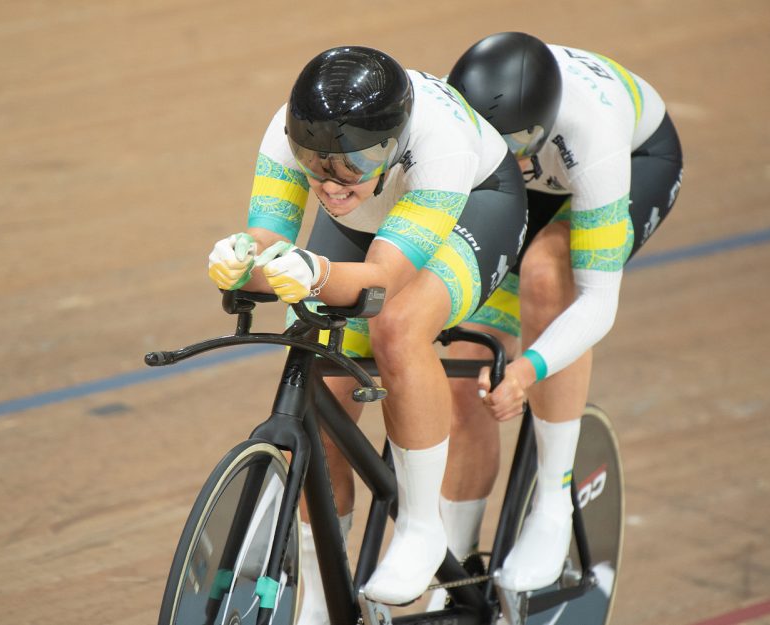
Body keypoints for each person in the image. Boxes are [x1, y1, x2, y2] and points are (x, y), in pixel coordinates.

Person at [206, 46, 528, 621]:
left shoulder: (440, 143)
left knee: (399, 327)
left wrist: (317, 272)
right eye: (315, 162)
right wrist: (238, 258)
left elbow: (382, 279)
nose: (330, 183)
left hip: (474, 206)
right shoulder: (291, 135)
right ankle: (319, 597)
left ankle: (424, 529)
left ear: (392, 143)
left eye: (350, 164)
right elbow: (266, 236)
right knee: (318, 364)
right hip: (367, 221)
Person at [426, 31, 684, 606]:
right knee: (466, 365)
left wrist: (528, 369)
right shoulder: (453, 118)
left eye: (515, 143)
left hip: (636, 163)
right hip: (534, 180)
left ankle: (553, 502)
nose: (505, 154)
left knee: (548, 271)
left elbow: (597, 303)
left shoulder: (593, 132)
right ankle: (458, 569)